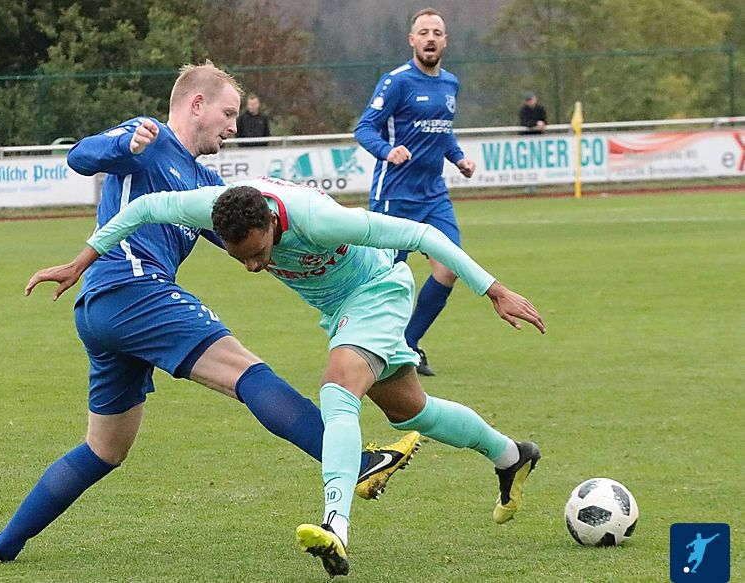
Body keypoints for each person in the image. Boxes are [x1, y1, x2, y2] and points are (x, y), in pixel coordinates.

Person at [0, 63, 418, 567]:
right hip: (133, 291)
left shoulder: (206, 183)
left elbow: (253, 241)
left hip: (106, 311)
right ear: (196, 105)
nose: (234, 125)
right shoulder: (151, 136)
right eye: (228, 113)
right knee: (247, 374)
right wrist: (124, 147)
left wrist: (318, 239)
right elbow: (80, 155)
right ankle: (357, 464)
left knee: (105, 450)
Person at [30, 175, 546, 577]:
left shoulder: (319, 220)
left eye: (259, 253)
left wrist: (493, 289)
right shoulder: (211, 206)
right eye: (241, 258)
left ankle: (335, 525)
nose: (254, 267)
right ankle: (510, 456)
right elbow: (142, 209)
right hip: (339, 310)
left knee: (337, 390)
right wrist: (81, 262)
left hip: (377, 292)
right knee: (411, 409)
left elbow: (423, 234)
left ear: (274, 225)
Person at [354, 7, 476, 377]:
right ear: (412, 40)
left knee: (450, 268)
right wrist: (387, 152)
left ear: (445, 40)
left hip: (434, 194)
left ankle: (407, 343)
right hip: (394, 195)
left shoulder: (450, 83)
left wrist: (458, 158)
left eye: (437, 32)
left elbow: (443, 130)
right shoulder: (396, 82)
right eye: (423, 32)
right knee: (389, 278)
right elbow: (365, 128)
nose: (430, 38)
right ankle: (366, 345)